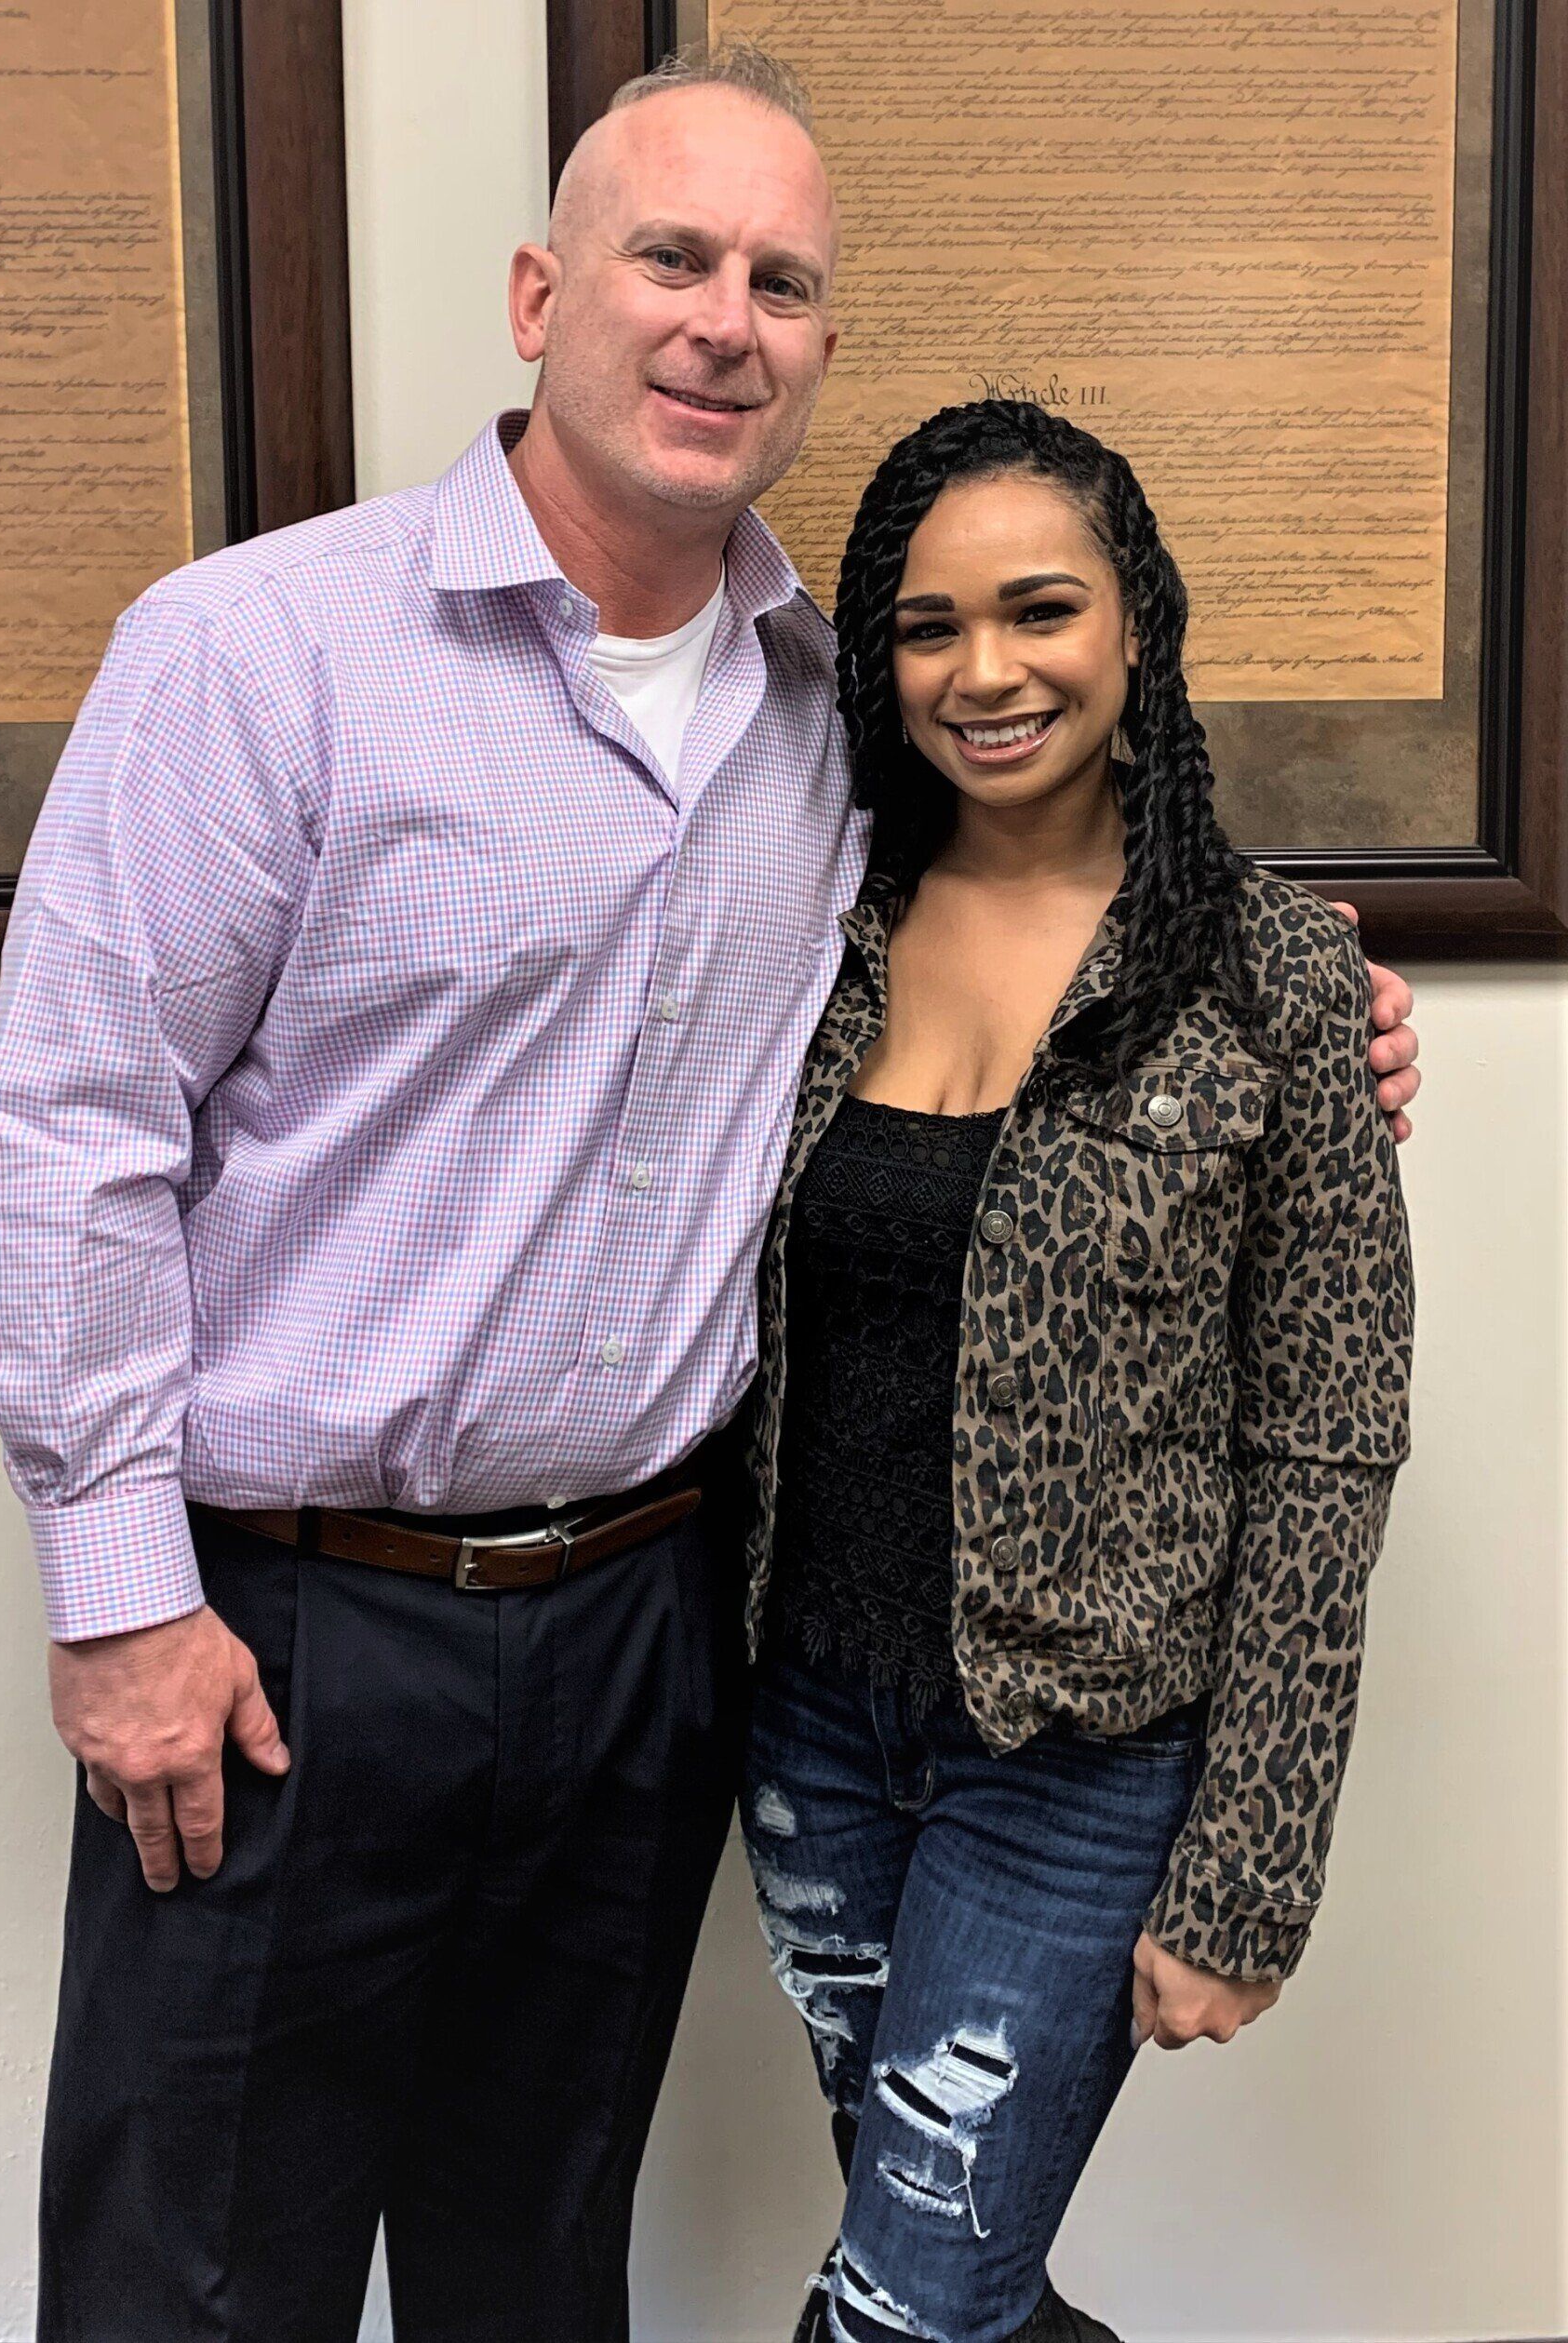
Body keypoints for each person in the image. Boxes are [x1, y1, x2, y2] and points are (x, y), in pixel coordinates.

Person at [0, 43, 1418, 2341]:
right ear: (545, 289)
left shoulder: (831, 724)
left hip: (652, 1635)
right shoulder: (260, 652)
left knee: (538, 2262)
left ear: (820, 349)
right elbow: (77, 1126)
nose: (723, 317)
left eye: (781, 279)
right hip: (283, 1637)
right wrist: (116, 1597)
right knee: (196, 2279)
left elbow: (1085, 925)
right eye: (672, 256)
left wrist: (1306, 981)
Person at [736, 397, 1415, 2343]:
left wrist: (1250, 1868)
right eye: (929, 629)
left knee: (902, 2298)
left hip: (1086, 1757)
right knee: (950, 2268)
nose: (987, 669)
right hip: (813, 1732)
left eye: (1041, 608)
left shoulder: (1272, 975)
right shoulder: (814, 927)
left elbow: (1329, 1433)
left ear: (1137, 627)